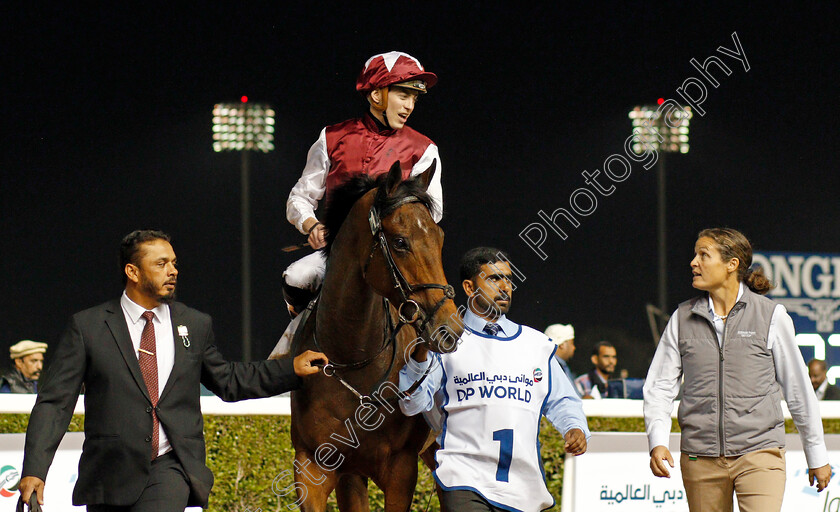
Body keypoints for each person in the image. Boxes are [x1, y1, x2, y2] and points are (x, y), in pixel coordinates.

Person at [19, 230, 327, 511]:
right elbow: (55, 403)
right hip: (108, 476)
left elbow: (229, 380)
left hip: (171, 468)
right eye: (162, 263)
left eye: (174, 263)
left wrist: (290, 370)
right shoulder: (88, 327)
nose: (173, 271)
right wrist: (34, 470)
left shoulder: (195, 324)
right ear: (133, 272)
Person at [644, 227, 831, 511]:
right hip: (699, 458)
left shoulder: (771, 316)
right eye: (695, 255)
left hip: (760, 454)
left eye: (703, 255)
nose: (693, 262)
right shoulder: (681, 318)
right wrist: (657, 442)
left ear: (732, 265)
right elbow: (659, 387)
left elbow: (798, 391)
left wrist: (816, 455)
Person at [274, 51, 444, 357]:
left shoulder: (424, 149)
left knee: (438, 312)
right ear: (377, 94)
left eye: (415, 98)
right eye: (403, 94)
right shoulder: (332, 137)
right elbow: (299, 197)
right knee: (297, 277)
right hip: (340, 255)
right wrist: (311, 224)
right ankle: (294, 353)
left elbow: (433, 212)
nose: (410, 105)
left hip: (397, 258)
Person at [399, 247, 589, 511]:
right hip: (463, 480)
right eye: (494, 279)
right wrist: (421, 350)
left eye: (508, 279)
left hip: (523, 489)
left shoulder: (536, 344)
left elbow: (563, 401)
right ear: (468, 287)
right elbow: (411, 404)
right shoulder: (446, 342)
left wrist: (574, 427)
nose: (505, 287)